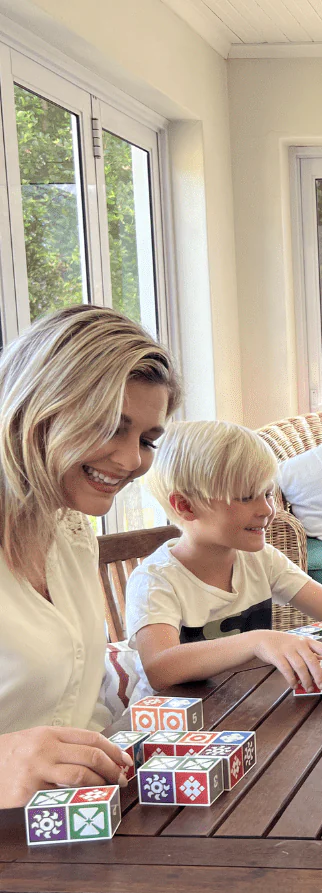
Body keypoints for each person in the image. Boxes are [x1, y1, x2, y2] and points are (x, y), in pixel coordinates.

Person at [0, 305, 181, 808]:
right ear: (36, 407)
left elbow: (77, 703)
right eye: (107, 426)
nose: (130, 461)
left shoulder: (73, 529)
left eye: (146, 440)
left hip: (75, 834)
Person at [126, 420, 322, 693]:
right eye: (247, 497)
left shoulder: (261, 560)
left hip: (240, 706)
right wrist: (258, 640)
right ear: (186, 506)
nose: (267, 510)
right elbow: (161, 668)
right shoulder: (156, 581)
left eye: (268, 493)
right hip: (174, 736)